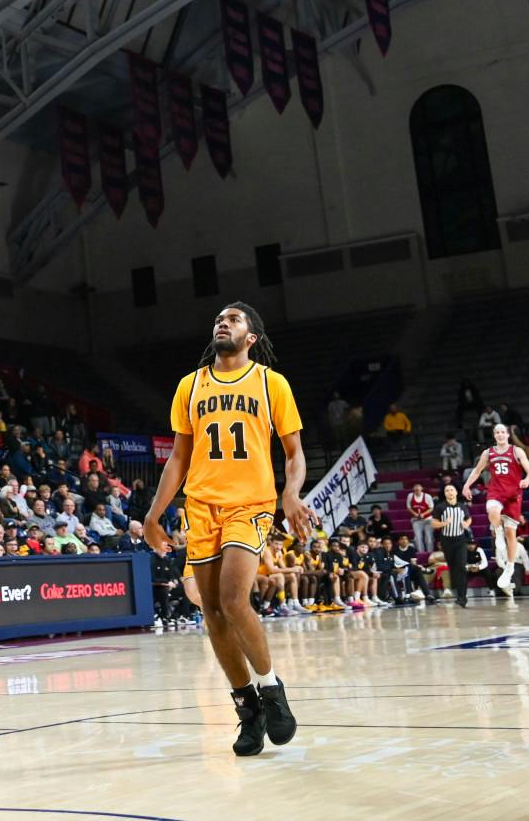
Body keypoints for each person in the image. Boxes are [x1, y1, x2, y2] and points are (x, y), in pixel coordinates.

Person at [144, 303, 309, 756]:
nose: (223, 322)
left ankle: (271, 689)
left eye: (234, 319)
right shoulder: (190, 385)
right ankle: (248, 708)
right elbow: (179, 457)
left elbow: (294, 452)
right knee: (213, 612)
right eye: (220, 318)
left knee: (235, 600)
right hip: (201, 507)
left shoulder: (271, 383)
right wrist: (154, 515)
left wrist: (292, 493)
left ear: (251, 337)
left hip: (250, 504)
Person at [460, 423, 529, 597]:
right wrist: (466, 485)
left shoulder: (517, 451)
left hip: (514, 494)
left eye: (502, 432)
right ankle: (497, 532)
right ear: (494, 435)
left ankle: (510, 567)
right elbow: (477, 471)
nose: (500, 434)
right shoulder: (488, 453)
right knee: (492, 511)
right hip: (496, 490)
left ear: (507, 434)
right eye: (497, 432)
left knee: (511, 534)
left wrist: (527, 481)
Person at [405, 482, 435, 555]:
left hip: (427, 519)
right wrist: (415, 514)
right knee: (418, 538)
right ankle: (421, 554)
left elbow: (431, 508)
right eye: (415, 490)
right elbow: (409, 507)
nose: (417, 491)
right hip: (416, 520)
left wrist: (423, 514)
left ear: (421, 489)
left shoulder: (427, 496)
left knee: (429, 537)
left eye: (418, 489)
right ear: (413, 489)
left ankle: (430, 553)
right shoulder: (410, 496)